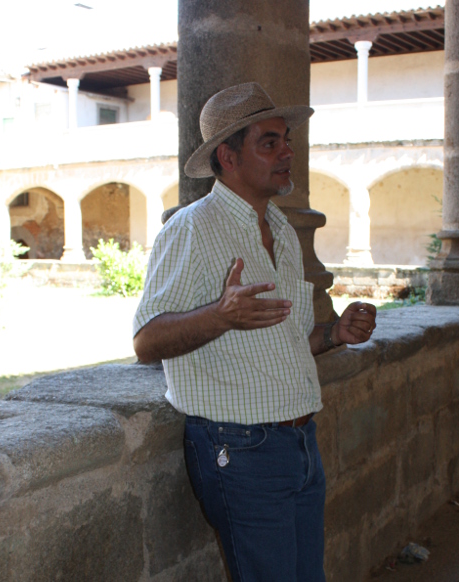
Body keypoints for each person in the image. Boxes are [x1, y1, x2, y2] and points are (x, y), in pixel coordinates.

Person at [133, 82, 377, 582]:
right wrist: (219, 316)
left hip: (300, 441)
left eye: (285, 139)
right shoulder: (192, 229)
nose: (288, 151)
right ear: (228, 155)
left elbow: (285, 340)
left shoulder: (282, 230)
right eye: (270, 142)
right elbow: (146, 341)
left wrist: (334, 336)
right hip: (239, 447)